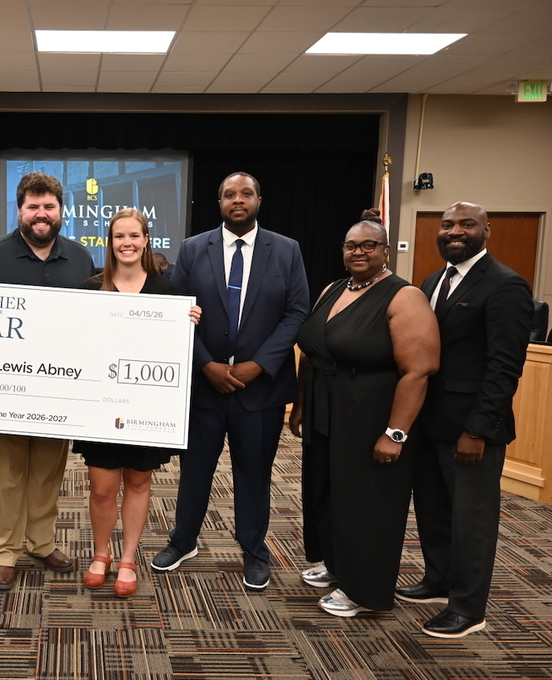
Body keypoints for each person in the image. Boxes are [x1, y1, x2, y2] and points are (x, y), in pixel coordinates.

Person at [152, 172, 309, 591]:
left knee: (254, 474)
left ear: (259, 200)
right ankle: (182, 540)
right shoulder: (192, 248)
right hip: (205, 386)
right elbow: (177, 310)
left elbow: (296, 313)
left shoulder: (287, 250)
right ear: (219, 202)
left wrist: (258, 364)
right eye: (228, 195)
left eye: (245, 194)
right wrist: (206, 365)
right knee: (195, 472)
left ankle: (254, 551)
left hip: (261, 389)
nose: (237, 200)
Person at [288, 220, 438, 617]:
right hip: (326, 407)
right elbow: (314, 352)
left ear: (386, 250)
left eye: (369, 245)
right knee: (328, 491)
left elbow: (418, 370)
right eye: (351, 245)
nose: (358, 252)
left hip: (370, 411)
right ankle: (338, 565)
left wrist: (396, 433)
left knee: (366, 501)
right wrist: (301, 404)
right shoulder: (333, 289)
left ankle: (364, 590)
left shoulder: (404, 297)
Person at [397, 201, 533, 638]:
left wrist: (478, 429)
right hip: (431, 423)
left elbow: (504, 367)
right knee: (434, 512)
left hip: (472, 431)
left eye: (466, 224)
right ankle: (438, 581)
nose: (455, 232)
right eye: (448, 225)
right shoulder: (434, 281)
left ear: (486, 231)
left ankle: (469, 609)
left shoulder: (506, 285)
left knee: (471, 521)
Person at [0, 172, 95, 591]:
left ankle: (41, 542)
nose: (42, 214)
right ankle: (3, 550)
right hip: (3, 390)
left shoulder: (81, 259)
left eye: (49, 207)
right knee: (5, 474)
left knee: (47, 471)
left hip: (59, 390)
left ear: (62, 211)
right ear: (19, 210)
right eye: (33, 206)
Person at [74, 209, 201, 598]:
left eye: (134, 236)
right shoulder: (88, 290)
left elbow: (177, 355)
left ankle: (128, 557)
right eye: (118, 237)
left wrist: (189, 323)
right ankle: (101, 553)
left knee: (138, 481)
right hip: (100, 406)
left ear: (147, 240)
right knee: (101, 486)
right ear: (109, 243)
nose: (126, 243)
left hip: (147, 408)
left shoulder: (170, 295)